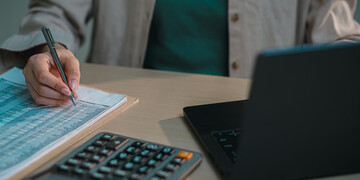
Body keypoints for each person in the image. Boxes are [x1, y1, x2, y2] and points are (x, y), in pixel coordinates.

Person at [0, 0, 360, 106]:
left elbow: (340, 36)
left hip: (256, 126)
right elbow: (55, 11)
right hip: (122, 119)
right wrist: (52, 48)